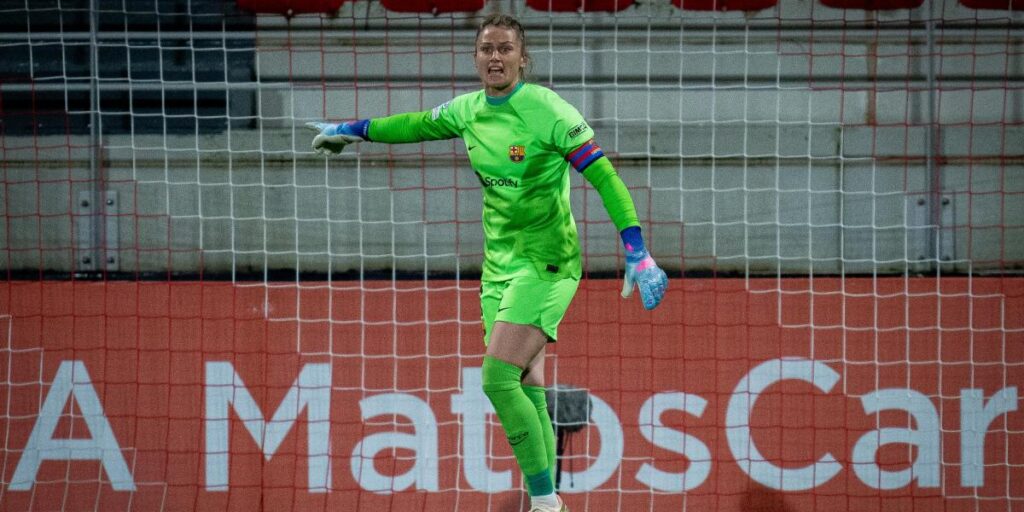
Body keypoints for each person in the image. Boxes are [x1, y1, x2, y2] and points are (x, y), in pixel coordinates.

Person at [306, 13, 667, 512]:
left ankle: (545, 504)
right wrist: (352, 130)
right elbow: (415, 125)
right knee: (524, 381)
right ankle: (548, 496)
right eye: (486, 49)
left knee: (496, 379)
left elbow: (603, 176)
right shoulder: (469, 111)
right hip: (499, 266)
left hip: (549, 263)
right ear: (475, 57)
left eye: (504, 49)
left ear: (523, 57)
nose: (494, 57)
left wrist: (637, 249)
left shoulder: (547, 110)